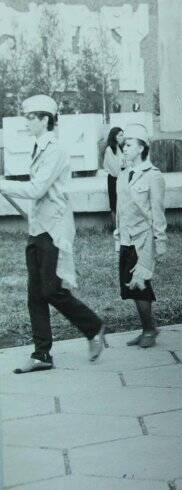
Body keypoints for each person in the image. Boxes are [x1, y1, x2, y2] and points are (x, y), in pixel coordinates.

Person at [0, 95, 106, 373]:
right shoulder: (40, 146)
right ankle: (42, 354)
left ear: (45, 119)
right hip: (38, 229)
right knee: (35, 294)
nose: (27, 122)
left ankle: (93, 326)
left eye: (31, 117)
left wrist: (4, 184)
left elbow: (37, 189)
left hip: (54, 230)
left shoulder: (56, 149)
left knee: (51, 290)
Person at [115, 123, 167, 348]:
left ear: (142, 147)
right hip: (127, 238)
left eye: (129, 144)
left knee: (140, 284)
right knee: (130, 285)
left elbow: (157, 211)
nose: (124, 148)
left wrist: (160, 240)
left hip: (143, 239)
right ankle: (148, 328)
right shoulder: (124, 174)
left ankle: (149, 330)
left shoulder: (152, 175)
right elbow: (120, 209)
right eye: (123, 144)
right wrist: (118, 235)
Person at [103, 126, 125, 226]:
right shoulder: (109, 149)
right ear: (114, 137)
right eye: (120, 135)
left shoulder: (120, 148)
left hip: (122, 178)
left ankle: (123, 226)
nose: (122, 137)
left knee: (122, 203)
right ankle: (116, 227)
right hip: (114, 179)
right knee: (114, 204)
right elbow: (114, 169)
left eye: (123, 135)